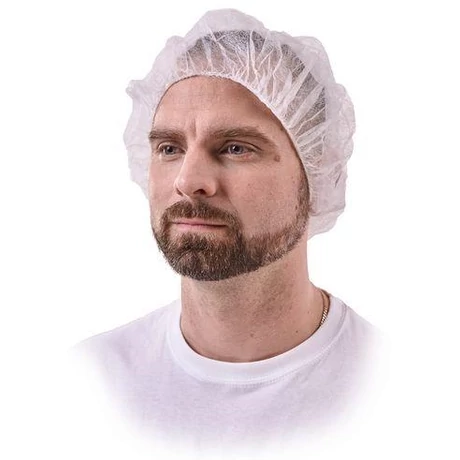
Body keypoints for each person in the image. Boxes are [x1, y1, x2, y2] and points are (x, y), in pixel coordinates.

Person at [74, 8, 382, 459]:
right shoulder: (88, 385)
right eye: (169, 148)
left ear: (316, 171)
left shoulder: (395, 388)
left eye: (235, 148)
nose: (188, 180)